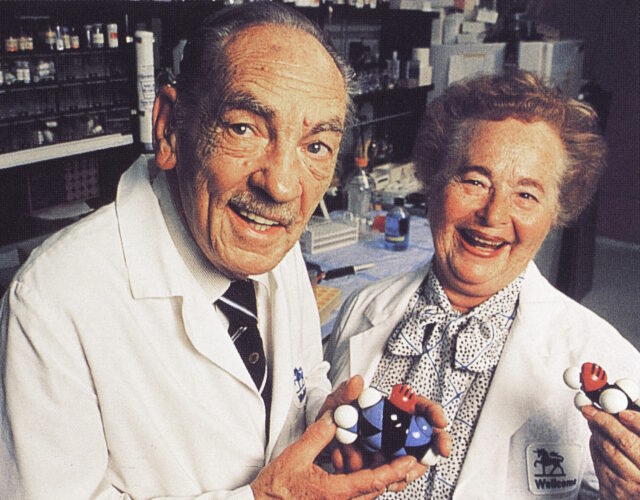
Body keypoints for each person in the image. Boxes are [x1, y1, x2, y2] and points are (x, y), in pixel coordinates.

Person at [0, 3, 448, 498]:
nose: (280, 185)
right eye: (244, 128)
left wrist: (331, 424)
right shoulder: (48, 304)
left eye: (315, 146)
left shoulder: (270, 243)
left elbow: (304, 378)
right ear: (169, 129)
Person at [325, 70, 640, 499]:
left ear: (557, 212)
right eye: (475, 181)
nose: (492, 216)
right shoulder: (362, 308)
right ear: (433, 179)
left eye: (526, 195)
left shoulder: (606, 357)